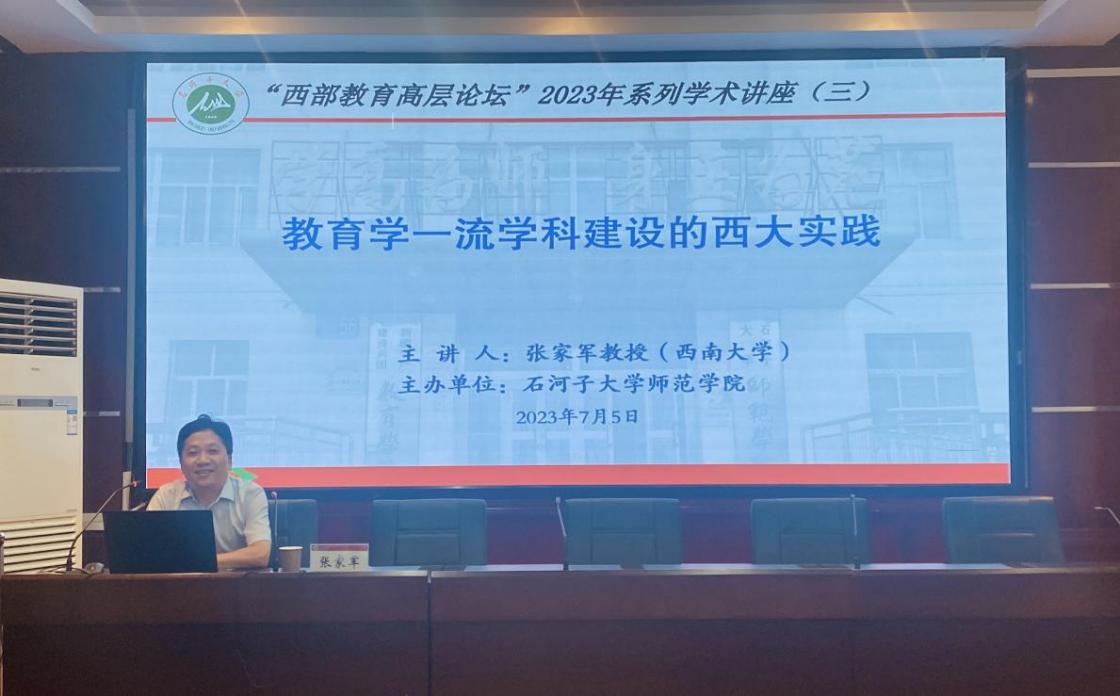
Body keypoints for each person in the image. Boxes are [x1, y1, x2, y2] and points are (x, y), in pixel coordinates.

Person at [148, 414, 271, 570]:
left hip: (236, 584)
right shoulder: (167, 496)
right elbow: (147, 551)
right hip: (179, 584)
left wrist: (200, 561)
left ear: (229, 460)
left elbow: (260, 554)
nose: (203, 460)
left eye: (212, 451)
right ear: (181, 463)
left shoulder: (250, 494)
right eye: (193, 453)